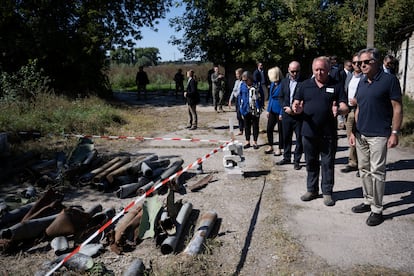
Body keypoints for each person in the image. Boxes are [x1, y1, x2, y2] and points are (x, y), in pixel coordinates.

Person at [349, 48, 403, 226]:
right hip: (361, 134)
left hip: (379, 134)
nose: (361, 65)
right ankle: (368, 200)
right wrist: (353, 132)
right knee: (363, 169)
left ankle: (377, 209)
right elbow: (359, 107)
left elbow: (397, 107)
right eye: (358, 63)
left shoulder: (389, 80)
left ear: (377, 62)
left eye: (365, 62)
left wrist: (394, 133)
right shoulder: (363, 81)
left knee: (377, 172)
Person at [292, 56, 348, 206]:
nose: (319, 73)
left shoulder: (336, 85)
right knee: (311, 162)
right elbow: (295, 104)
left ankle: (328, 192)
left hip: (328, 133)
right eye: (316, 70)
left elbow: (345, 106)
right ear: (312, 70)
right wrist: (296, 109)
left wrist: (340, 110)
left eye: (322, 69)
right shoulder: (304, 85)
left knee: (327, 163)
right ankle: (312, 190)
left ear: (329, 69)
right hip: (308, 132)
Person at [276, 61, 305, 170]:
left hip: (299, 116)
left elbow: (306, 98)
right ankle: (286, 157)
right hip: (287, 114)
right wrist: (286, 108)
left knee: (299, 139)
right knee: (286, 137)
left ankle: (296, 160)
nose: (294, 74)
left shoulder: (304, 82)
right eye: (292, 71)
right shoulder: (284, 82)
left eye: (297, 71)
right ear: (288, 70)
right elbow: (281, 97)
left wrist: (299, 109)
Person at [340, 53, 363, 174]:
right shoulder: (349, 76)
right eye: (354, 63)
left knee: (359, 138)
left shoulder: (365, 77)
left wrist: (358, 101)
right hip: (348, 110)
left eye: (359, 63)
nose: (357, 65)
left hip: (359, 110)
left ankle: (361, 165)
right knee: (351, 137)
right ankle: (354, 162)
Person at [239, 71, 264, 149]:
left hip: (255, 108)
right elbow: (240, 96)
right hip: (246, 108)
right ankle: (247, 141)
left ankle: (255, 142)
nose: (245, 82)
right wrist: (240, 107)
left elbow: (262, 95)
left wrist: (261, 105)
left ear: (250, 78)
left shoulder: (257, 85)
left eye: (246, 80)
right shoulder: (242, 85)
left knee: (255, 126)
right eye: (243, 80)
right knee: (246, 126)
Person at [264, 66, 284, 155]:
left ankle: (280, 148)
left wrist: (281, 113)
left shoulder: (283, 84)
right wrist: (268, 109)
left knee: (281, 130)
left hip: (279, 109)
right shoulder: (272, 84)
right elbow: (271, 97)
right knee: (269, 128)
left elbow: (284, 99)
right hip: (272, 108)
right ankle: (270, 145)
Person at [228, 68, 244, 135]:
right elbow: (233, 91)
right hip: (236, 99)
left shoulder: (243, 82)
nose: (236, 75)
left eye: (237, 74)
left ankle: (243, 128)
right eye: (236, 74)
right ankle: (241, 129)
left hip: (241, 99)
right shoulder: (236, 82)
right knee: (238, 115)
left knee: (241, 115)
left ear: (241, 74)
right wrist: (230, 100)